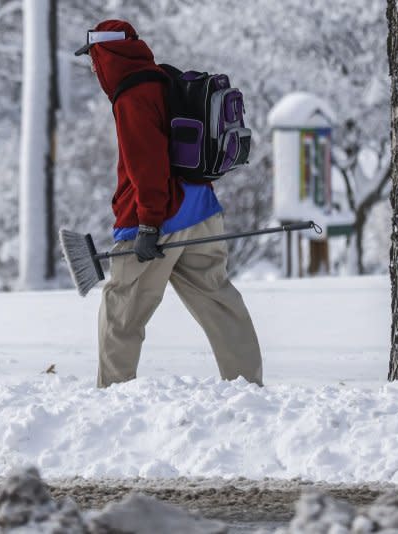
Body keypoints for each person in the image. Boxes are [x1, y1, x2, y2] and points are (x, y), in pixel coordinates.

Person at [75, 20, 264, 388]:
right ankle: (249, 387)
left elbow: (148, 166)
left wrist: (147, 226)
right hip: (204, 210)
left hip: (159, 220)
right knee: (219, 301)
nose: (93, 67)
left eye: (93, 59)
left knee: (121, 310)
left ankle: (113, 393)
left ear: (104, 55)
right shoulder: (164, 78)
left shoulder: (131, 96)